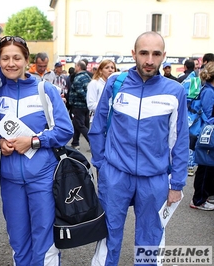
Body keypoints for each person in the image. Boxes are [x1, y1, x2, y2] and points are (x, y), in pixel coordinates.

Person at [88, 31, 189, 265]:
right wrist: (102, 165)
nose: (149, 60)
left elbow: (179, 140)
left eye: (156, 54)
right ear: (134, 54)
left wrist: (177, 184)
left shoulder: (176, 91)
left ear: (164, 56)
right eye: (144, 53)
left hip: (154, 178)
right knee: (107, 236)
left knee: (150, 241)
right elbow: (98, 126)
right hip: (115, 174)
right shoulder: (116, 83)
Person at [0, 35, 73, 265]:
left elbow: (65, 130)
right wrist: (0, 143)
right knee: (19, 242)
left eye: (16, 58)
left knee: (45, 241)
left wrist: (33, 141)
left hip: (43, 178)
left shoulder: (44, 89)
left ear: (26, 59)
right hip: (10, 179)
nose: (11, 63)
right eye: (5, 58)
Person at [190, 61, 214, 211]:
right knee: (205, 167)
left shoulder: (208, 89)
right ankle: (198, 199)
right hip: (208, 134)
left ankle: (203, 196)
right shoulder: (209, 92)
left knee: (208, 167)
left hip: (208, 133)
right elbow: (207, 114)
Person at [68, 60, 91, 150]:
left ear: (79, 67)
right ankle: (75, 142)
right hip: (85, 106)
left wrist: (71, 102)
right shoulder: (87, 77)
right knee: (76, 124)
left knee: (80, 125)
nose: (75, 68)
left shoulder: (78, 78)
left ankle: (92, 141)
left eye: (76, 66)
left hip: (78, 106)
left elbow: (81, 92)